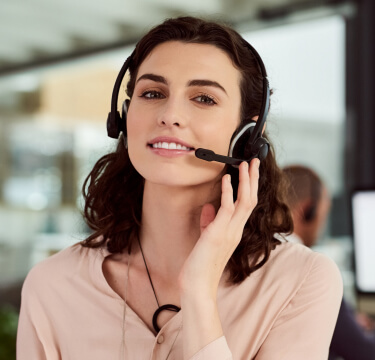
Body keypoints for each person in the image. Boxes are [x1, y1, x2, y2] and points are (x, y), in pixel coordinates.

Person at [17, 17, 342, 360]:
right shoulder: (53, 285)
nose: (170, 115)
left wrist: (200, 294)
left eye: (203, 98)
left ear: (246, 135)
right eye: (152, 93)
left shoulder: (301, 281)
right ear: (124, 117)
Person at [283, 164, 375, 360]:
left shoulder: (254, 254)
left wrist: (345, 323)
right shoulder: (310, 267)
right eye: (325, 213)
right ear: (308, 210)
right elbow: (363, 350)